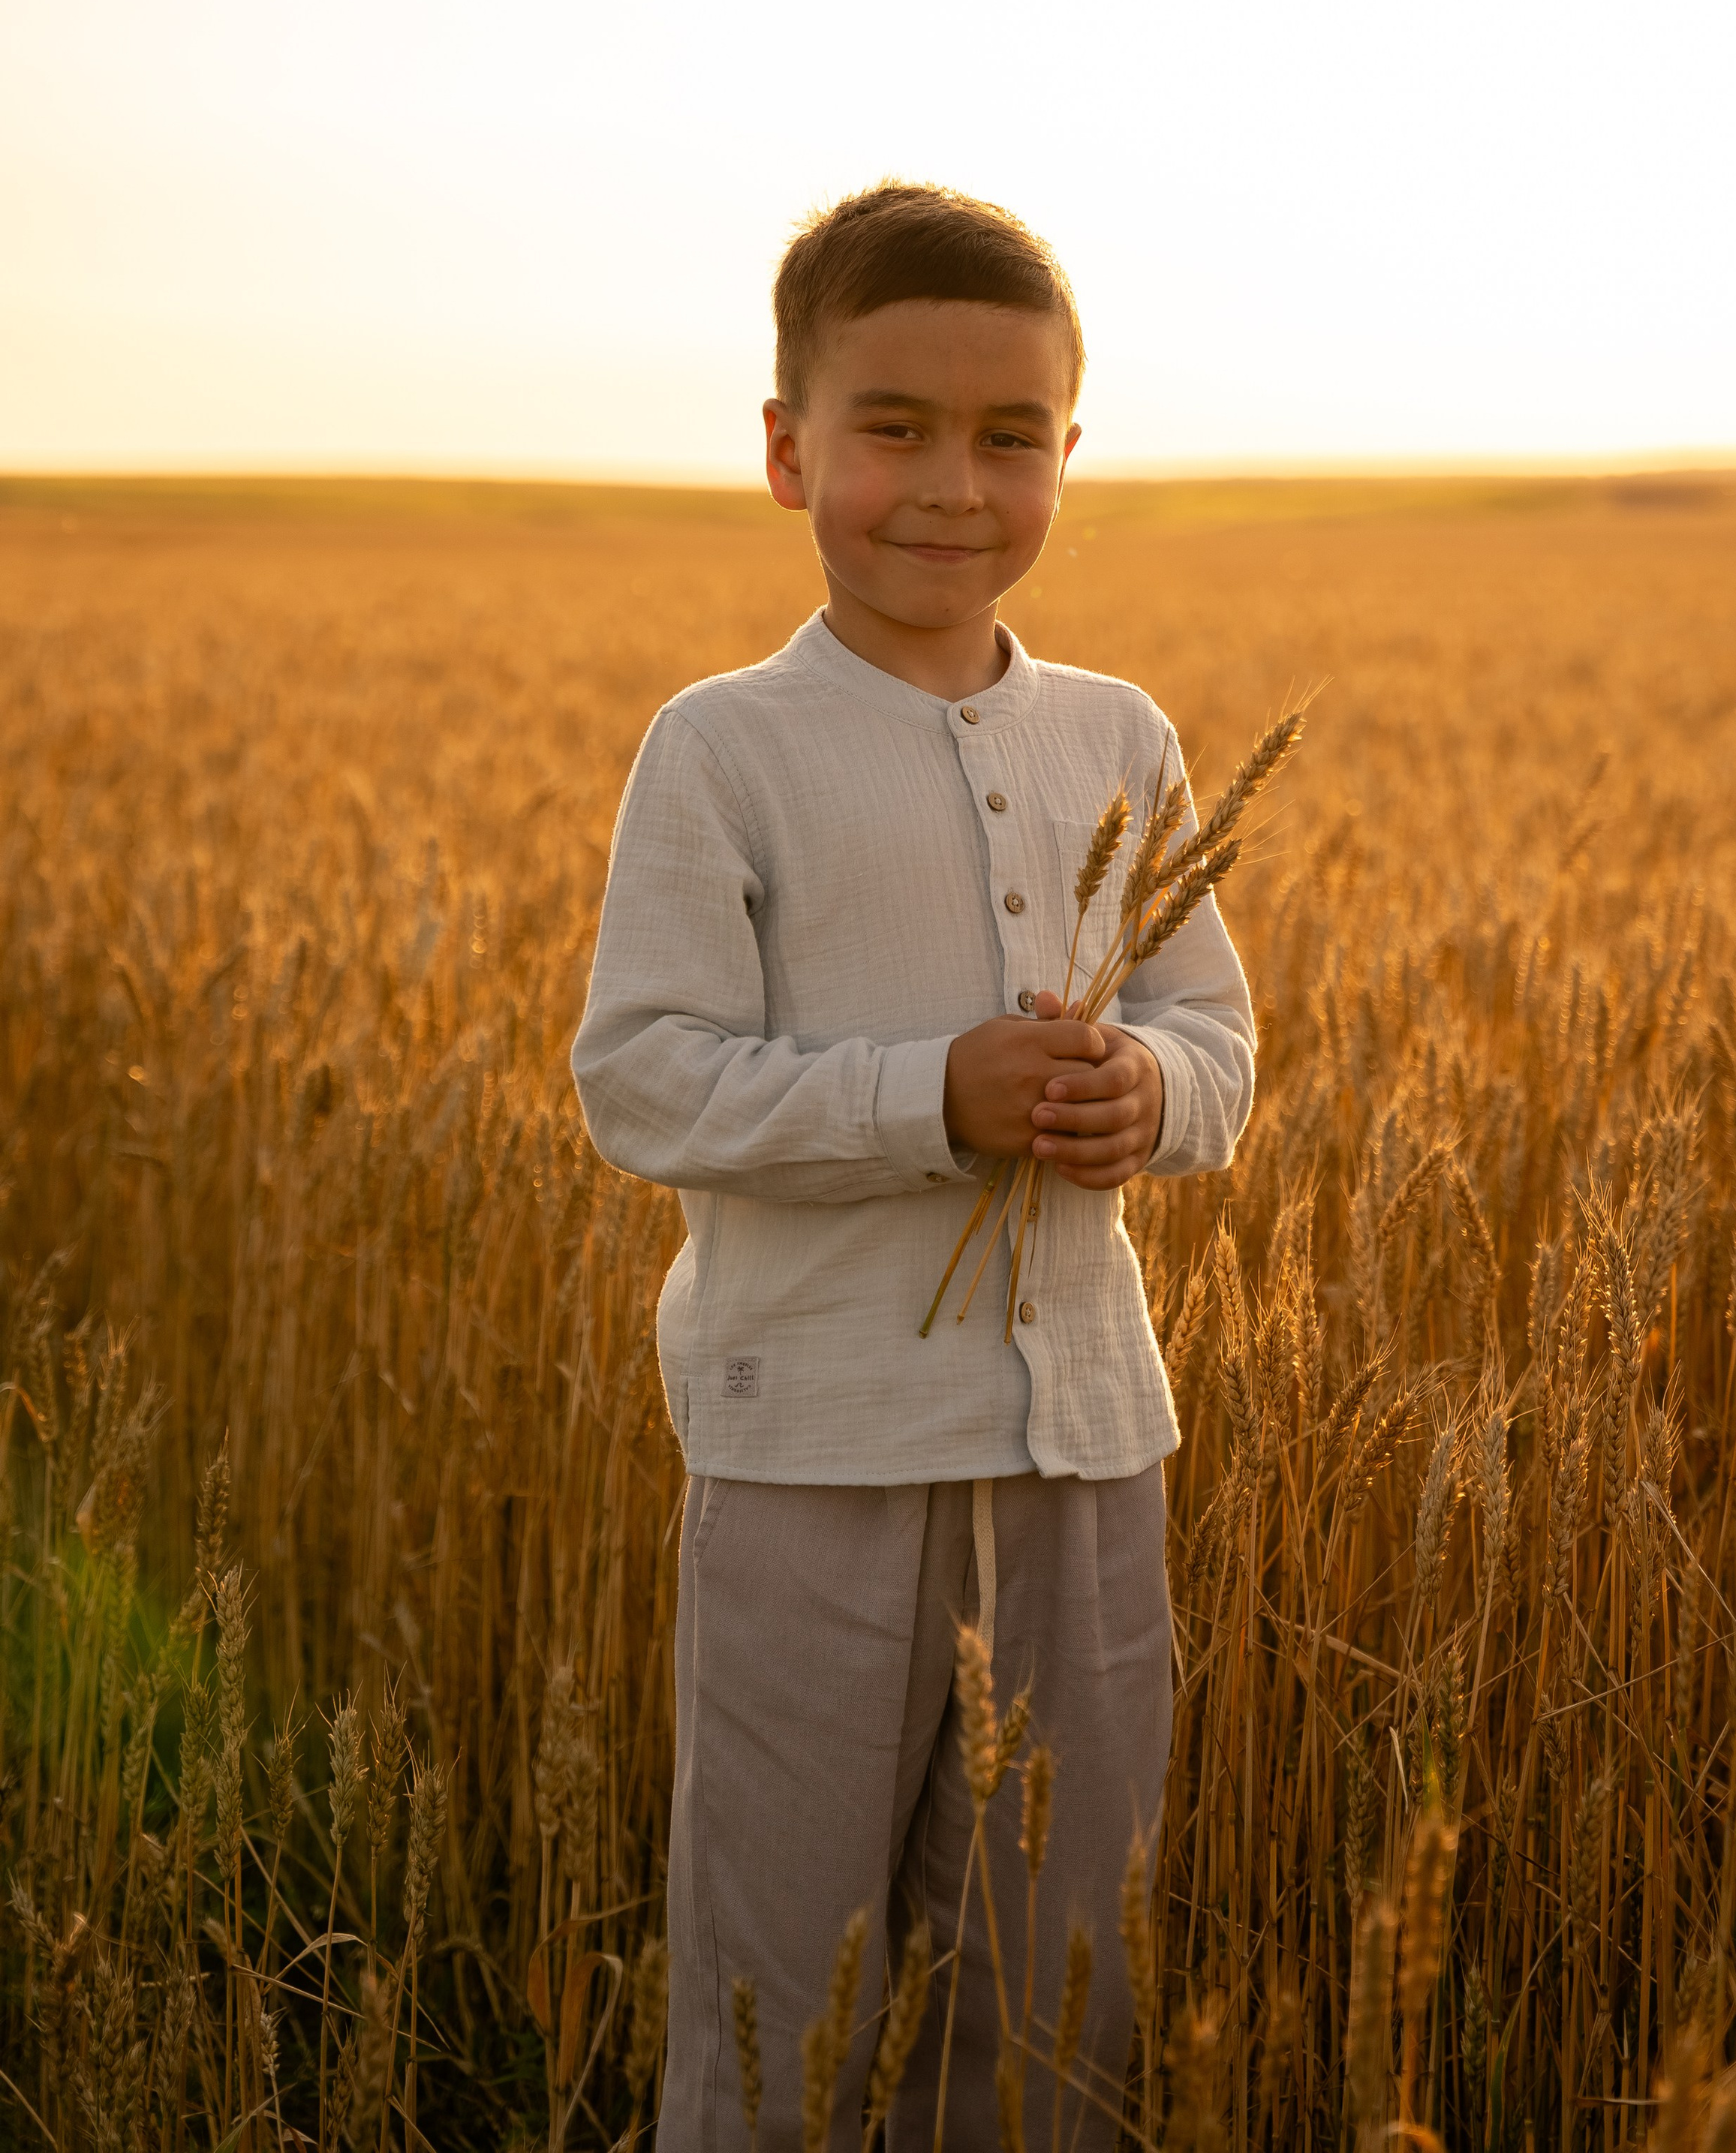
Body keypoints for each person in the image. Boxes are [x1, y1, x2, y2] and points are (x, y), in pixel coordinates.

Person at [572, 181, 1256, 2149]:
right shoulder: (727, 749)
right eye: (893, 428)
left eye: (1010, 435)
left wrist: (1151, 1091)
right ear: (787, 450)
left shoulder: (1122, 731)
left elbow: (1222, 1036)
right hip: (812, 1458)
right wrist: (923, 1099)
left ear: (1066, 452)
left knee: (1057, 1990)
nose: (953, 485)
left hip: (1090, 1457)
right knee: (780, 1997)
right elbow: (645, 1081)